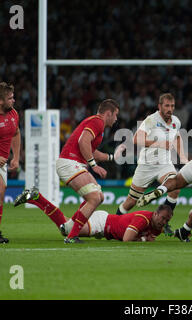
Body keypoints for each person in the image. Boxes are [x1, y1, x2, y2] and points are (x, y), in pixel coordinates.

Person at [15, 99, 125, 243]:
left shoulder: (97, 125)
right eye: (115, 115)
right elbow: (83, 142)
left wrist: (112, 156)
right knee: (94, 198)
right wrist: (93, 165)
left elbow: (91, 151)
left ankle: (39, 200)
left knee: (99, 197)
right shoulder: (97, 121)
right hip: (70, 163)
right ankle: (72, 236)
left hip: (73, 164)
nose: (116, 119)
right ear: (109, 113)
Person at [115, 93, 188, 236]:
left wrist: (183, 158)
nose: (170, 109)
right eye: (167, 106)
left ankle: (164, 223)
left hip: (164, 165)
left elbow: (177, 138)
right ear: (159, 106)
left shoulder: (176, 121)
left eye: (172, 106)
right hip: (146, 166)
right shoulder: (151, 120)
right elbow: (137, 139)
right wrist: (158, 143)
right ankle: (113, 222)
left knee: (175, 187)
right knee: (131, 201)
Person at [14, 187, 172, 242]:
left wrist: (145, 239)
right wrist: (143, 239)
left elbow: (148, 238)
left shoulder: (157, 225)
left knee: (67, 226)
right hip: (102, 223)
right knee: (66, 229)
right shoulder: (143, 218)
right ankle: (36, 197)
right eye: (163, 218)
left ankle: (34, 198)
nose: (163, 222)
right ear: (155, 213)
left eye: (166, 220)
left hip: (104, 227)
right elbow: (127, 239)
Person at [0, 82, 21, 243]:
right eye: (10, 98)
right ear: (1, 101)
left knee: (1, 194)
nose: (13, 101)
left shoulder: (13, 114)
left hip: (3, 164)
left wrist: (15, 157)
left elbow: (16, 133)